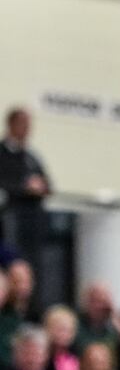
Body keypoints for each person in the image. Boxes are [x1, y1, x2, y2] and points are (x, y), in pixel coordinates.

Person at [0, 108, 50, 276]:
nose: (27, 129)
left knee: (33, 266)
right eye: (23, 124)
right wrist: (24, 187)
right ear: (11, 124)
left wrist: (41, 187)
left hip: (33, 221)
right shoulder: (2, 153)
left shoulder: (31, 157)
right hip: (9, 219)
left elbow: (47, 185)